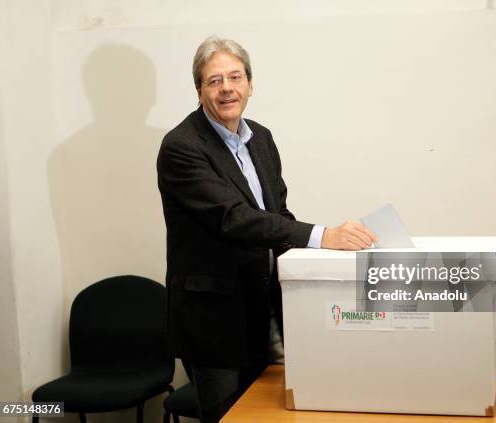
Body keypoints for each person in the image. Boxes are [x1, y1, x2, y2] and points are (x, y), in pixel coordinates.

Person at [157, 36, 377, 422]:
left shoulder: (261, 138)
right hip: (215, 324)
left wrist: (324, 259)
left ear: (250, 85)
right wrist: (324, 235)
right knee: (228, 417)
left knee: (274, 415)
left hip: (267, 311)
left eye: (235, 77)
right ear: (199, 90)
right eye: (214, 80)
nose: (227, 88)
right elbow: (232, 218)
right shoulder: (181, 147)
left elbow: (279, 216)